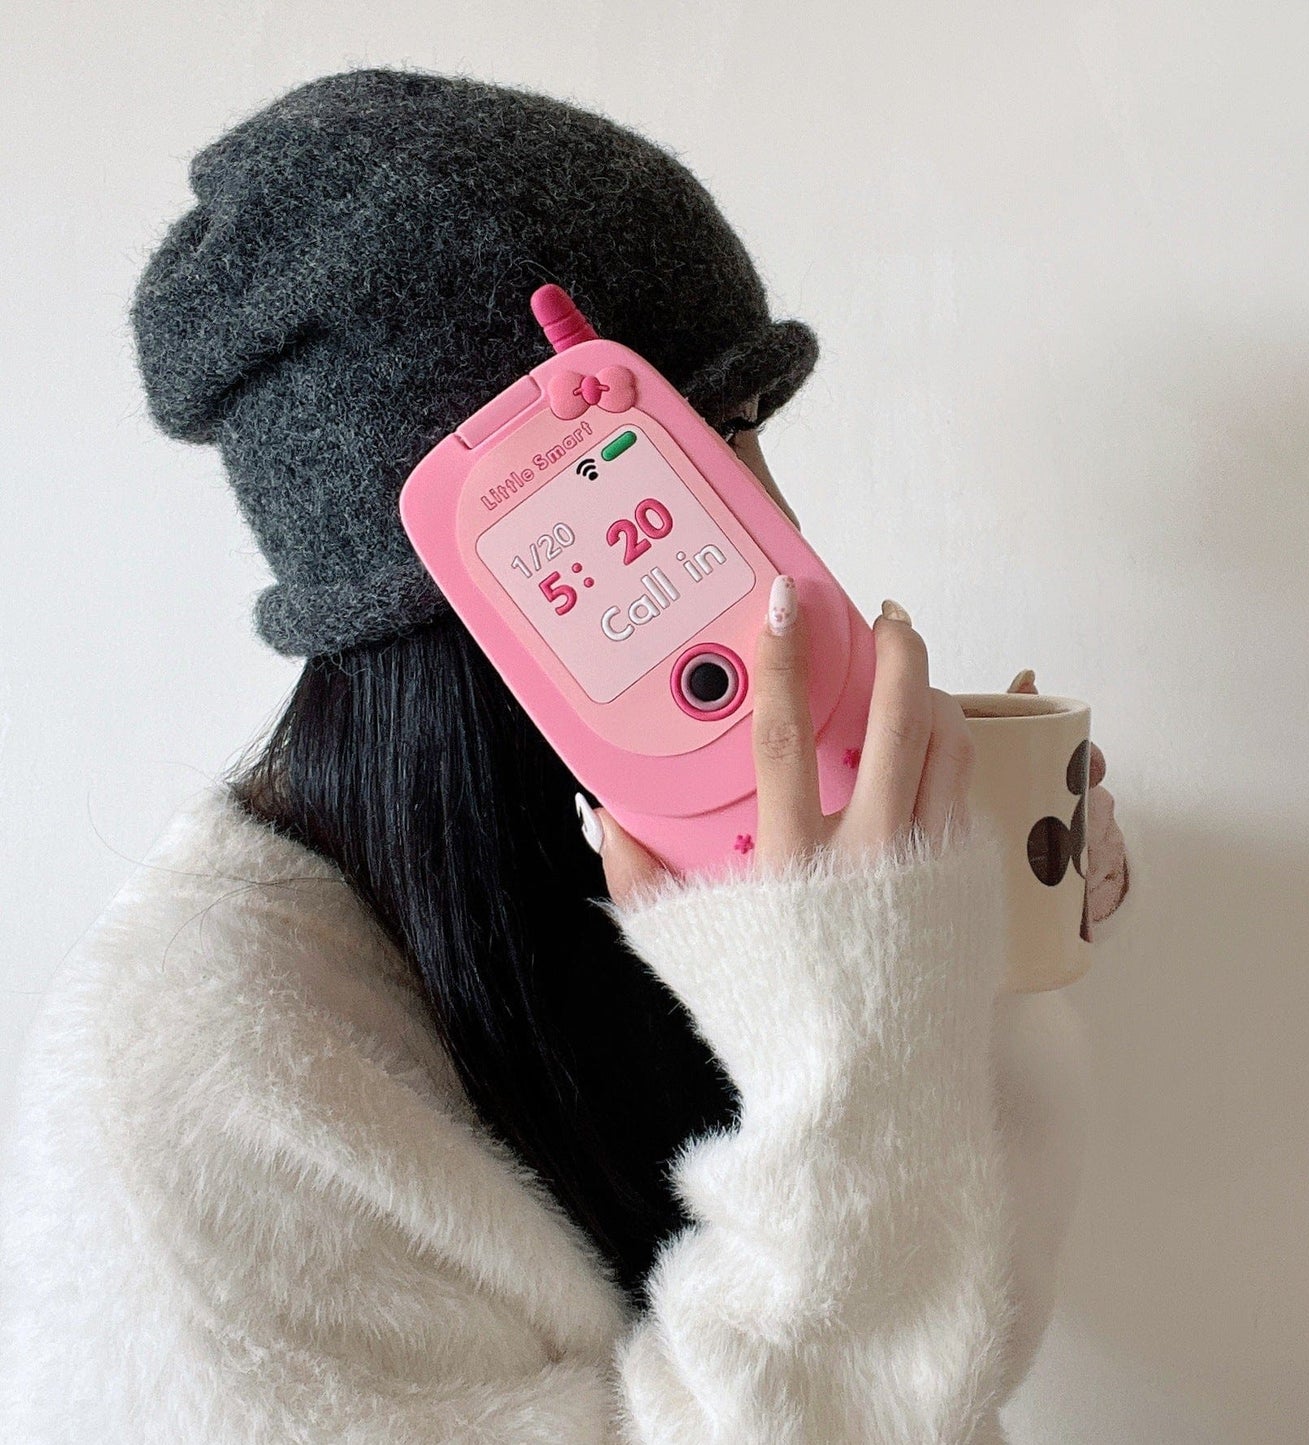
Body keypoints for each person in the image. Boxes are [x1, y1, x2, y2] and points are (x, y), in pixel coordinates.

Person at [0, 67, 1127, 1442]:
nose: (781, 530)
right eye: (706, 452)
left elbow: (936, 1363)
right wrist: (863, 1039)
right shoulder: (191, 1086)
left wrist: (959, 968)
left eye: (748, 440)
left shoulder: (604, 867)